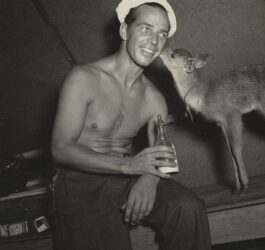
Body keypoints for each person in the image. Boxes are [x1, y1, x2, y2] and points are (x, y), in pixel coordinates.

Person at [50, 0, 212, 249]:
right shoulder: (83, 78)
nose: (154, 40)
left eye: (162, 33)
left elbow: (163, 155)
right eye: (146, 28)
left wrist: (149, 179)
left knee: (187, 207)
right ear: (125, 31)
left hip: (127, 177)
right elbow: (61, 148)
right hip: (79, 182)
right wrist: (128, 166)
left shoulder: (154, 99)